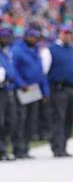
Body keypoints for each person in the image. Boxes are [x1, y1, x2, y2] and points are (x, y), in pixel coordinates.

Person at [40, 24, 73, 157]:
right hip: (58, 89)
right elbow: (44, 72)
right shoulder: (50, 50)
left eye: (69, 33)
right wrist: (45, 91)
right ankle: (57, 146)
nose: (67, 36)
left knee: (69, 118)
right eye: (64, 33)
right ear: (59, 34)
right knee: (58, 118)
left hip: (72, 89)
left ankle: (64, 144)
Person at [11, 27, 49, 159]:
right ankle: (18, 148)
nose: (34, 39)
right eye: (32, 36)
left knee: (31, 120)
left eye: (36, 37)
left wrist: (45, 91)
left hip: (35, 90)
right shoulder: (17, 50)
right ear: (26, 36)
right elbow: (13, 70)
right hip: (23, 89)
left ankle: (26, 148)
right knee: (20, 119)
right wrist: (21, 84)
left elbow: (40, 72)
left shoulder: (36, 50)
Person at [0, 27, 26, 161]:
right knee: (1, 121)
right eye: (3, 37)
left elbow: (12, 72)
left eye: (7, 37)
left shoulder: (8, 52)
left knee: (10, 121)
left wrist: (20, 84)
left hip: (8, 90)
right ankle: (1, 150)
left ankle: (4, 149)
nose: (6, 39)